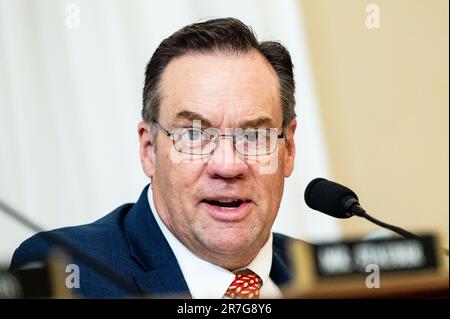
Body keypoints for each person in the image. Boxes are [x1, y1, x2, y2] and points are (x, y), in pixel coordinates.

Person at [10, 17, 301, 298]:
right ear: (149, 149)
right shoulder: (67, 272)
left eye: (253, 136)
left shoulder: (326, 273)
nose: (227, 166)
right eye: (193, 135)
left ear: (288, 149)